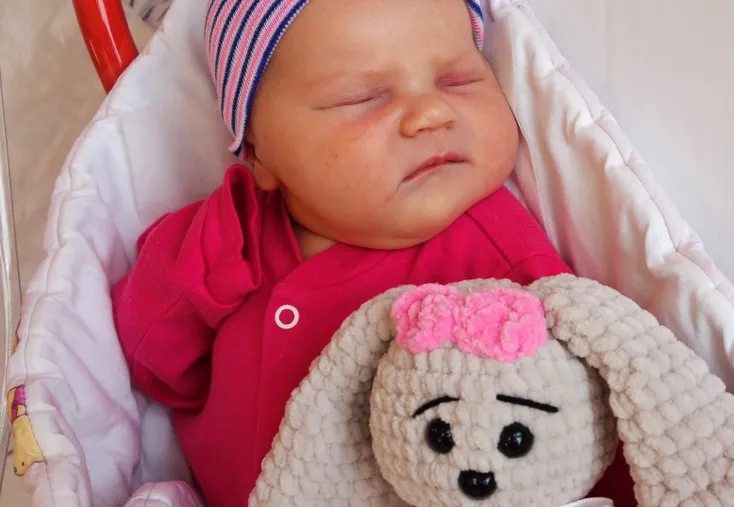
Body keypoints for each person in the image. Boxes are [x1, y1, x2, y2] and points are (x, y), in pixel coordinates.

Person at [112, 0, 633, 504]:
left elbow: (576, 422)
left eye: (458, 80)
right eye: (362, 98)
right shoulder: (229, 238)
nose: (431, 113)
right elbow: (155, 368)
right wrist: (200, 261)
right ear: (258, 153)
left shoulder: (497, 252)